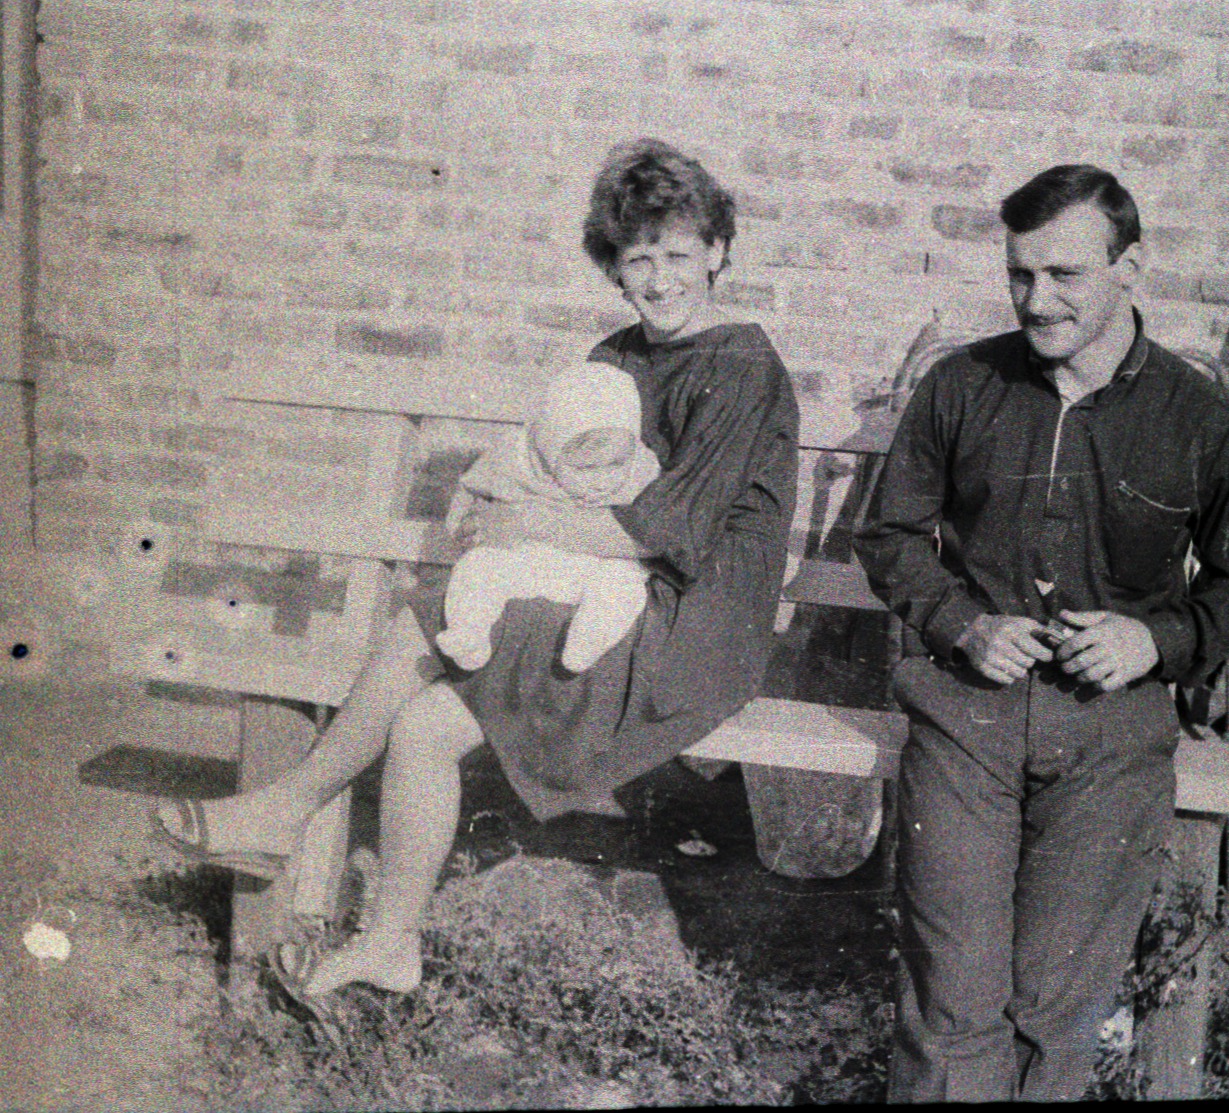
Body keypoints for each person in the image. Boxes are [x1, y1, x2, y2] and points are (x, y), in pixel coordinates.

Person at [153, 138, 799, 1000]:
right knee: (422, 724)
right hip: (613, 593)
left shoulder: (741, 363)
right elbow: (545, 465)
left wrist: (519, 523)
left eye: (678, 254)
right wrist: (487, 499)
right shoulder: (616, 360)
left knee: (425, 612)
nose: (659, 278)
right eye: (636, 258)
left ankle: (288, 803)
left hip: (692, 623)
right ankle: (390, 942)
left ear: (718, 251)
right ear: (612, 268)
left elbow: (669, 529)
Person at [854, 164, 1229, 1102]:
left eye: (1064, 276)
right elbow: (888, 535)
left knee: (1057, 1005)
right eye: (1019, 274)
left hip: (1109, 737)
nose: (1035, 299)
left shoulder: (1196, 416)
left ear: (1129, 268)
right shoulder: (960, 386)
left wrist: (1154, 641)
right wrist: (961, 623)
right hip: (965, 722)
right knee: (951, 996)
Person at [437, 362, 659, 674]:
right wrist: (466, 527)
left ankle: (588, 640)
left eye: (616, 465)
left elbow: (658, 527)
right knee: (478, 567)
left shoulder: (642, 471)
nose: (602, 480)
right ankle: (469, 633)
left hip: (595, 567)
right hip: (526, 562)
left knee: (623, 585)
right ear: (550, 452)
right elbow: (471, 493)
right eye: (584, 468)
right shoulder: (518, 461)